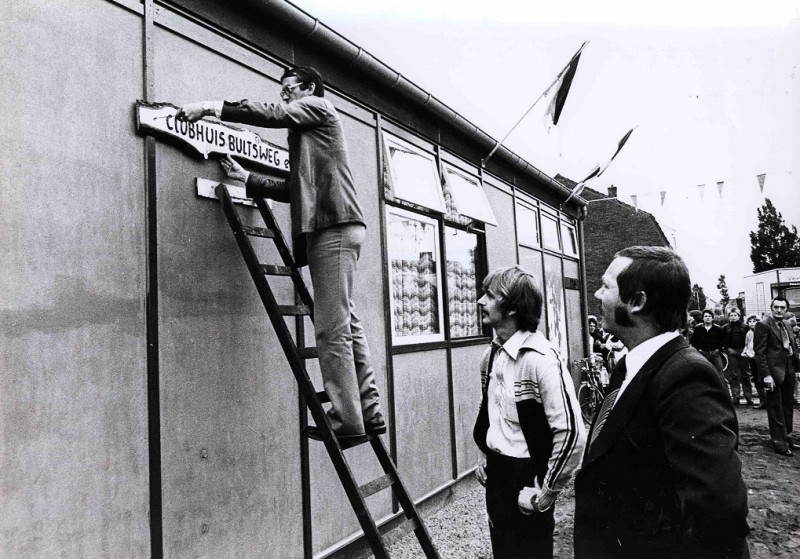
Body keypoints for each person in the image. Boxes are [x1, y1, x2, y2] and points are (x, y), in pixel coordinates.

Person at [176, 66, 384, 443]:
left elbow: (271, 113)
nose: (285, 97)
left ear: (310, 88)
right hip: (338, 226)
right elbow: (294, 188)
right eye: (283, 91)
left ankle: (347, 421)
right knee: (347, 322)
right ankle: (368, 412)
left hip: (332, 228)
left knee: (330, 329)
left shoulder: (320, 107)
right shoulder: (309, 137)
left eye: (290, 90)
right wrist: (247, 179)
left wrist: (209, 107)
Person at [574, 246, 749, 559]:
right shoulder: (628, 367)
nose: (597, 295)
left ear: (638, 302)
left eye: (606, 286)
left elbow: (717, 508)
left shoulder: (685, 375)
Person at [472, 266, 586, 559]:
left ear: (512, 308)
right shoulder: (491, 356)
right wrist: (488, 457)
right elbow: (497, 417)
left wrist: (547, 491)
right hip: (498, 477)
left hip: (528, 479)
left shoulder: (541, 359)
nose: (480, 301)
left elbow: (572, 433)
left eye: (490, 295)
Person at [753, 296, 800, 456]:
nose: (779, 310)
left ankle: (788, 438)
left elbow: (792, 346)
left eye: (782, 308)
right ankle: (779, 443)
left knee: (787, 406)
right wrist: (766, 375)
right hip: (773, 373)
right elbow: (759, 353)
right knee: (775, 408)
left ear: (786, 309)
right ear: (771, 308)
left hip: (789, 369)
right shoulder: (763, 325)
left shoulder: (786, 323)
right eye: (776, 307)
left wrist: (796, 366)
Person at [723, 309, 754, 405]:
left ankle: (748, 396)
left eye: (735, 315)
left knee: (745, 374)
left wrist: (745, 350)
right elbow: (723, 340)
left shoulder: (745, 327)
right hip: (732, 352)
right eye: (731, 315)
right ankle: (736, 396)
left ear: (739, 316)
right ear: (729, 316)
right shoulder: (725, 328)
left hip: (743, 352)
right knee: (734, 375)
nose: (733, 317)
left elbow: (749, 340)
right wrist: (727, 349)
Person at [690, 309, 727, 389]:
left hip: (715, 354)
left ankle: (721, 393)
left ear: (712, 318)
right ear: (703, 318)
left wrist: (718, 350)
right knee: (702, 374)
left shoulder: (717, 329)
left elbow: (722, 341)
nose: (708, 318)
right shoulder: (698, 329)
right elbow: (694, 341)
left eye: (709, 316)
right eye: (706, 316)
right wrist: (699, 350)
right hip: (702, 354)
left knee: (719, 374)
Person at [743, 315, 766, 408]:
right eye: (750, 321)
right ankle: (762, 401)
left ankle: (769, 401)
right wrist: (746, 353)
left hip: (761, 358)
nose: (752, 323)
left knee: (764, 377)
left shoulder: (762, 332)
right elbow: (747, 345)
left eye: (754, 321)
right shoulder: (748, 333)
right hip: (752, 357)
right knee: (756, 378)